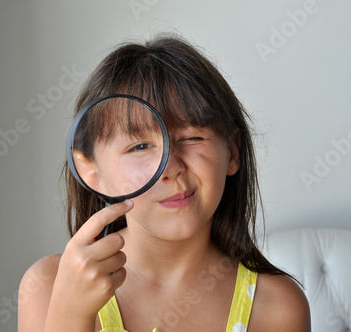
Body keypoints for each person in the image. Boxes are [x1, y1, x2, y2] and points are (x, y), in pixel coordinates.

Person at [18, 35, 311, 332]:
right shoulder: (47, 286)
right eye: (140, 146)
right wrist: (70, 315)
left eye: (192, 137)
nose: (170, 168)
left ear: (232, 152)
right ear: (92, 172)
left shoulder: (277, 307)